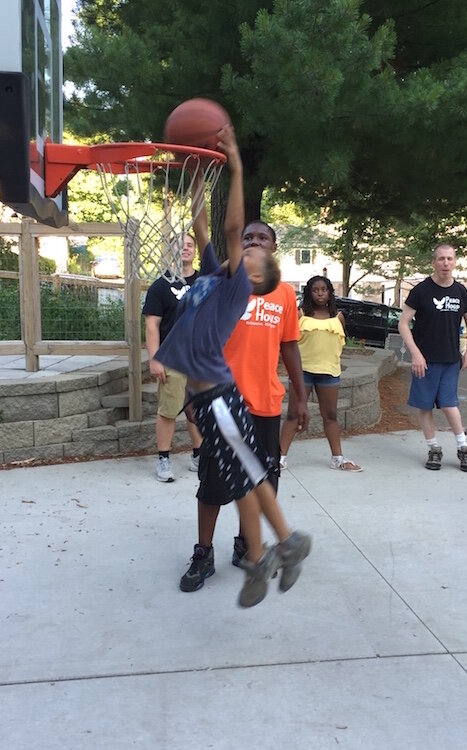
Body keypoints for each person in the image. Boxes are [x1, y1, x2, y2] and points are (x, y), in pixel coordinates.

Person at [153, 125, 311, 607]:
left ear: (256, 278)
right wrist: (198, 178)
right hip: (209, 398)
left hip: (221, 397)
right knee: (242, 477)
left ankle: (279, 546)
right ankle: (275, 549)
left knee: (249, 476)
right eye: (245, 247)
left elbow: (229, 227)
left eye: (254, 253)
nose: (245, 249)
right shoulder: (212, 276)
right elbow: (207, 227)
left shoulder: (237, 287)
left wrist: (237, 166)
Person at [179, 215, 311, 593]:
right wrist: (193, 394)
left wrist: (301, 397)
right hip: (220, 398)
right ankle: (204, 553)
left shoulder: (283, 293)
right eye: (247, 236)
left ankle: (249, 547)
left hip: (264, 402)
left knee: (258, 479)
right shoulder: (225, 284)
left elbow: (289, 346)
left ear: (272, 250)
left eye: (262, 237)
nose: (253, 240)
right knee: (213, 484)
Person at [398, 243, 467, 472]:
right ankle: (434, 448)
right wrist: (415, 354)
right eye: (441, 259)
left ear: (454, 262)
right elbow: (403, 323)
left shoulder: (460, 291)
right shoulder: (421, 291)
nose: (445, 263)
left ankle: (463, 448)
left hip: (451, 359)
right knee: (425, 406)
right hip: (425, 360)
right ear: (434, 262)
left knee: (450, 403)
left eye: (449, 259)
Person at [279, 275, 362, 472]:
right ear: (309, 292)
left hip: (329, 372)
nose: (319, 293)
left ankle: (337, 458)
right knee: (293, 414)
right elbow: (288, 342)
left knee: (330, 415)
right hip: (302, 372)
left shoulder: (338, 316)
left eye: (323, 290)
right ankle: (280, 458)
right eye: (315, 290)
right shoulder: (300, 314)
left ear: (330, 293)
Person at [142, 234, 202, 482]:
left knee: (197, 409)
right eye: (179, 246)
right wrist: (155, 358)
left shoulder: (205, 282)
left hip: (200, 358)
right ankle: (164, 459)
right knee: (168, 410)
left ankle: (199, 455)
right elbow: (152, 325)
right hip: (172, 357)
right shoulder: (160, 286)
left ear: (195, 251)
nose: (185, 249)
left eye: (189, 245)